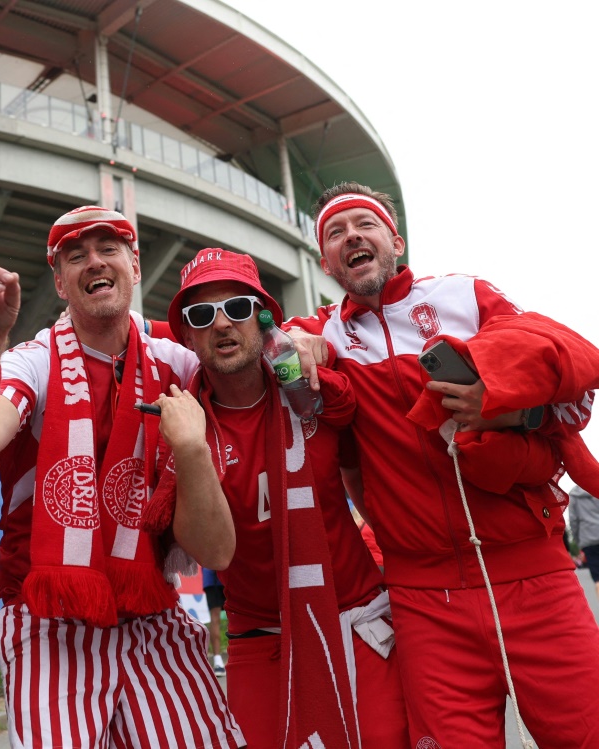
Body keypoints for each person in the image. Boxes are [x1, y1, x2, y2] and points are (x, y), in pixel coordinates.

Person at [288, 181, 599, 747]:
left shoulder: (466, 296)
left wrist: (503, 407)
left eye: (365, 224)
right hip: (423, 600)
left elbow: (567, 390)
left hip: (535, 576)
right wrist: (291, 345)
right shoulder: (321, 333)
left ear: (396, 241)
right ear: (324, 261)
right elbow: (261, 354)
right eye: (336, 232)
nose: (352, 236)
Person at [0, 206, 245, 748]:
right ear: (59, 281)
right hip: (49, 624)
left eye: (108, 249)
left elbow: (251, 362)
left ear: (134, 263)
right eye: (75, 255)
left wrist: (296, 346)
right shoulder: (32, 359)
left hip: (152, 615)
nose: (93, 262)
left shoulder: (176, 362)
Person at [144, 248, 407, 748]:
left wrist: (303, 347)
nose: (222, 324)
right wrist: (192, 448)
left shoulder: (306, 386)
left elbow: (353, 420)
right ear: (188, 335)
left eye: (238, 309)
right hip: (260, 639)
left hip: (356, 619)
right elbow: (212, 554)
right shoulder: (182, 425)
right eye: (202, 315)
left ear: (263, 320)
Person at [569, 484, 599, 599]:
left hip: (588, 539)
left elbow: (573, 521)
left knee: (598, 578)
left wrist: (578, 540)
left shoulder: (574, 495)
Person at [202, 567, 227, 676]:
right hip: (223, 575)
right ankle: (218, 661)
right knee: (234, 614)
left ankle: (218, 662)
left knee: (215, 617)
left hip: (213, 576)